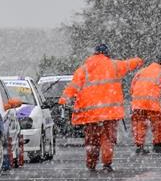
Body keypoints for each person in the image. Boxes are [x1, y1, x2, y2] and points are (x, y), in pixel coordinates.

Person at [58, 43, 143, 172]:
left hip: (90, 115)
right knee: (107, 140)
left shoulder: (83, 69)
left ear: (94, 53)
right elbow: (128, 64)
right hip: (110, 113)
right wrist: (139, 60)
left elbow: (72, 87)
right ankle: (107, 165)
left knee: (92, 141)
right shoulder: (114, 66)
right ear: (106, 53)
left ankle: (91, 165)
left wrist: (63, 100)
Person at [131, 56, 161, 154]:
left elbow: (132, 86)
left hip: (137, 103)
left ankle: (139, 147)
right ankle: (157, 146)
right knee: (158, 124)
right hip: (152, 103)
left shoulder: (141, 71)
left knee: (139, 125)